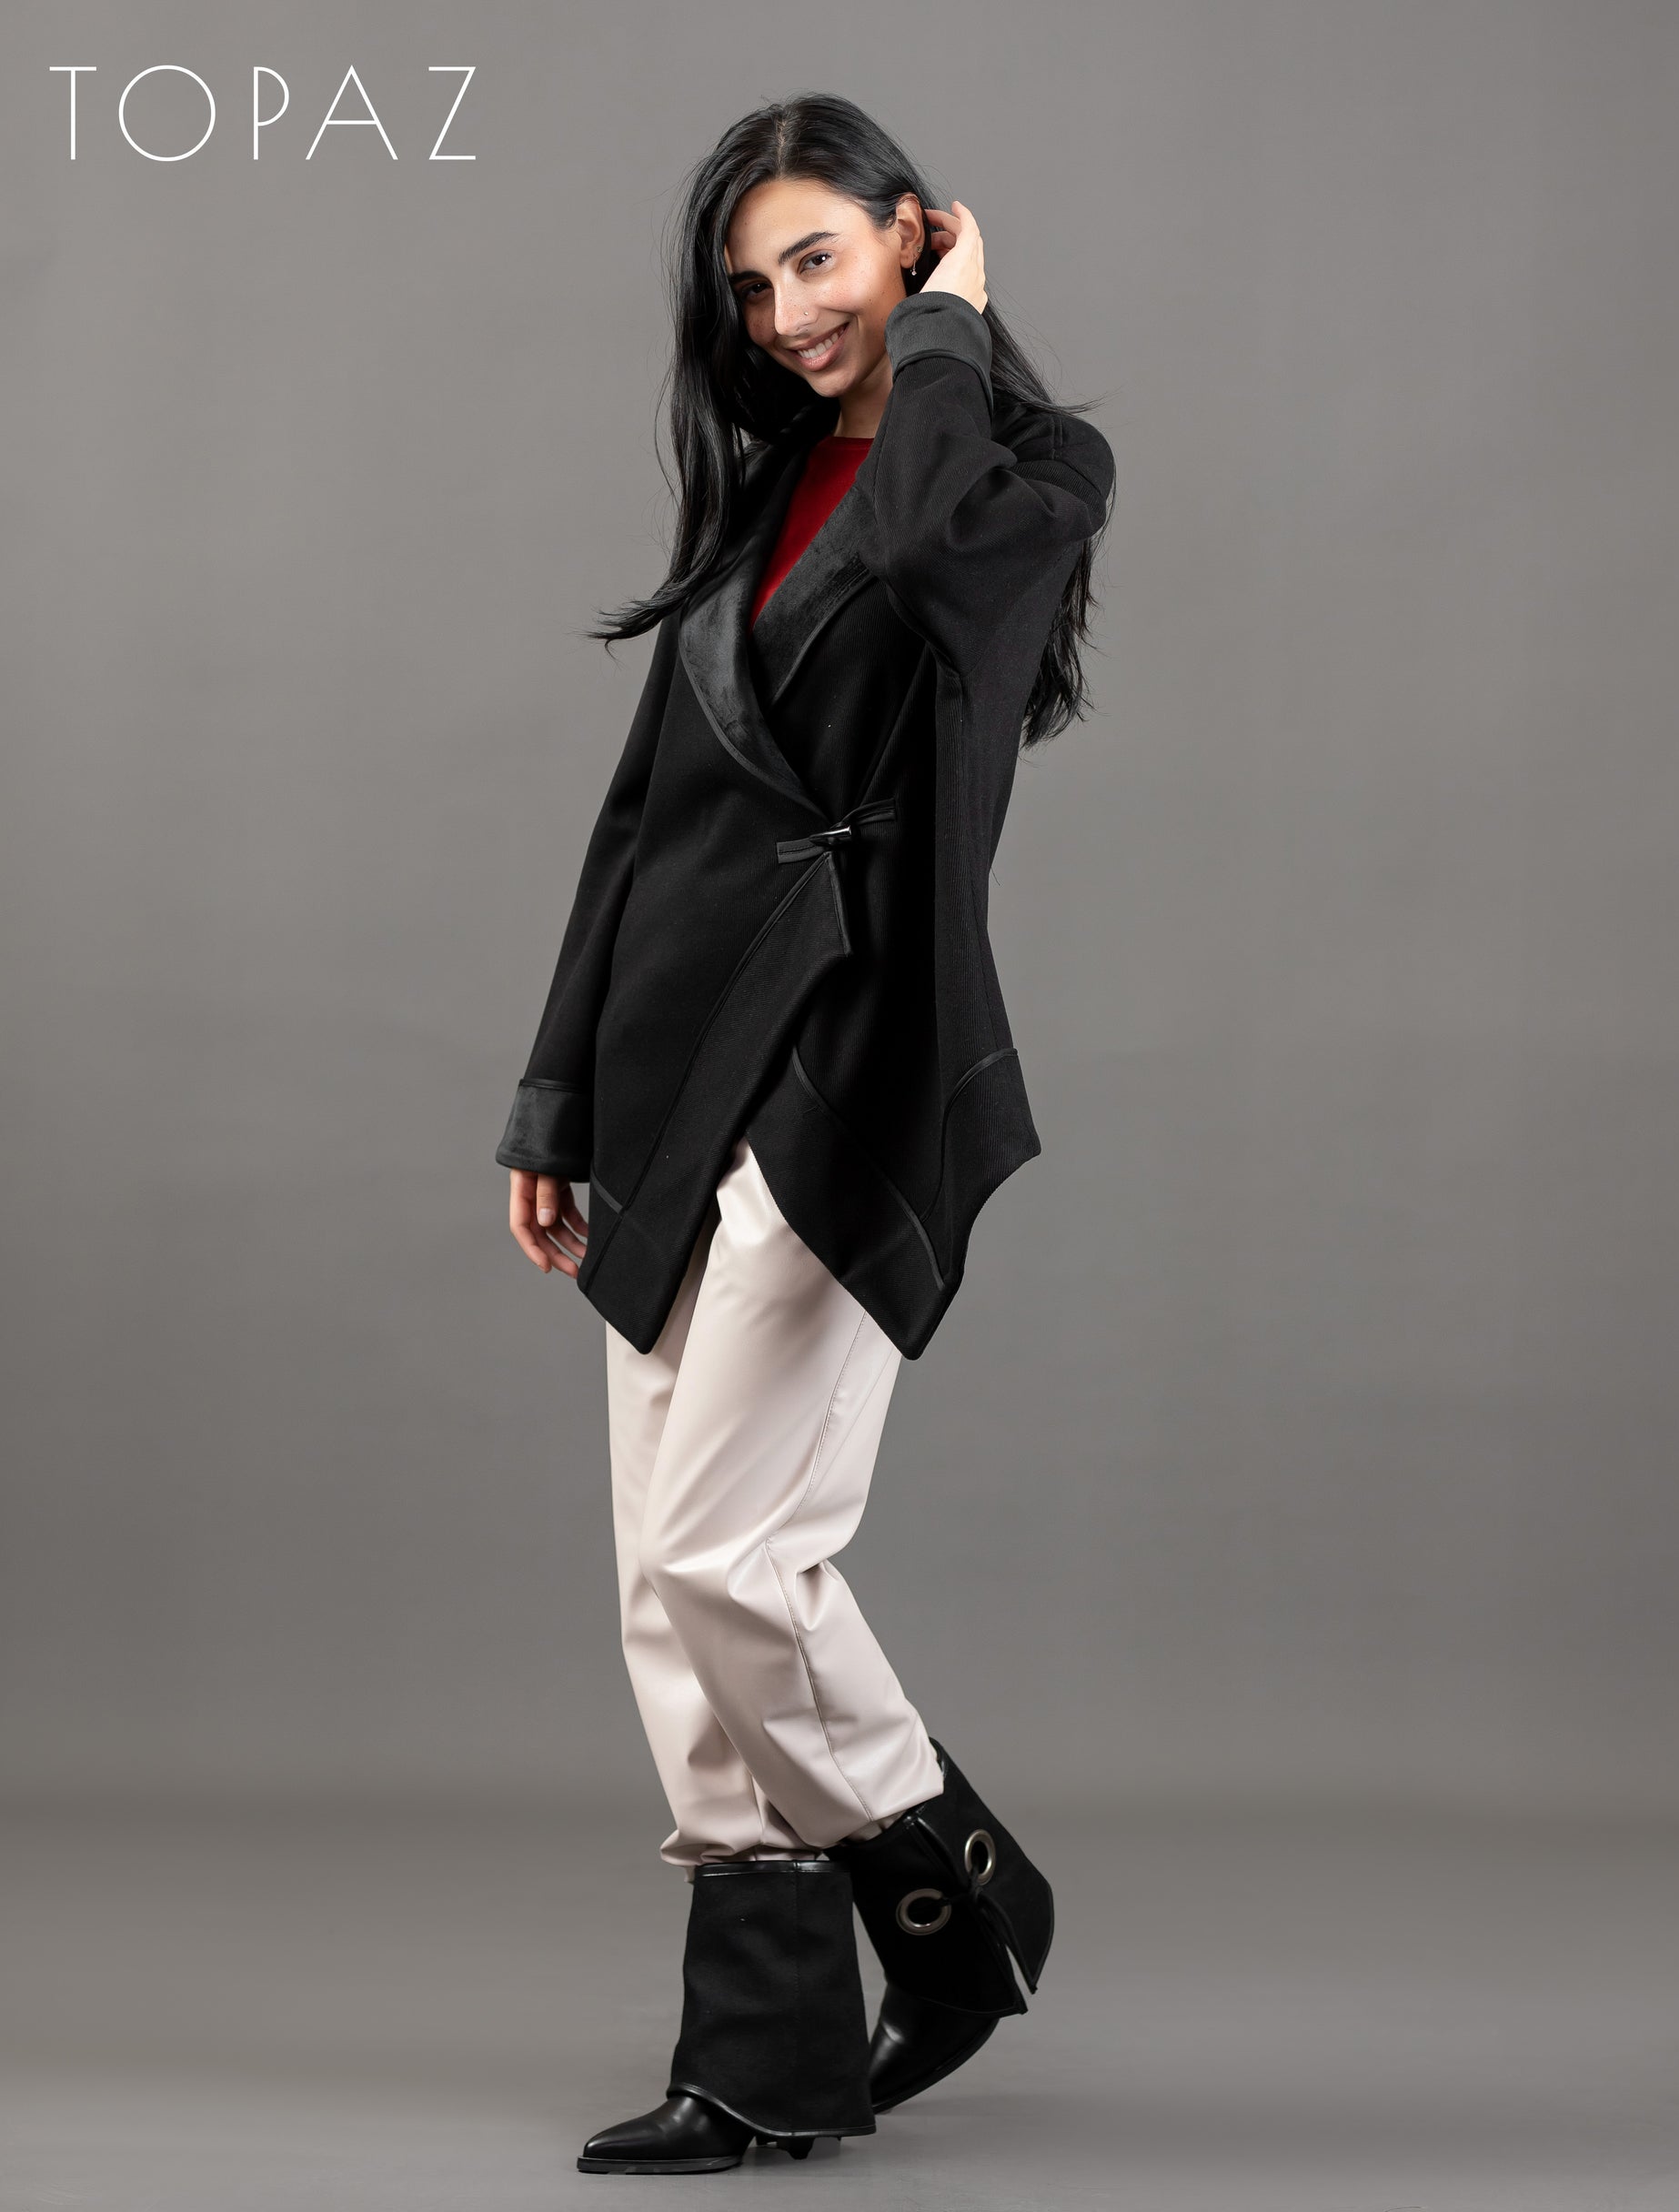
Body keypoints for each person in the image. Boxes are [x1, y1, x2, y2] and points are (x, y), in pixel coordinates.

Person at [495, 92, 1115, 2177]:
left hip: (846, 1059)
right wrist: (556, 1091)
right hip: (667, 1064)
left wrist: (947, 332)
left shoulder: (1030, 474)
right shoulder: (762, 488)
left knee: (728, 1554)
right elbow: (643, 820)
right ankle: (761, 2055)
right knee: (660, 1593)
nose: (782, 316)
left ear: (914, 236)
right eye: (750, 288)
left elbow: (939, 561)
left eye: (818, 262)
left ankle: (958, 1888)